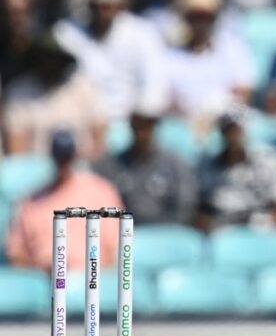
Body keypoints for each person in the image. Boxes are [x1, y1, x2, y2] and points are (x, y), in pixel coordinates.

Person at [54, 0, 169, 122]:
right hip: (81, 122)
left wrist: (138, 122)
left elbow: (154, 87)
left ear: (120, 5)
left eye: (107, 6)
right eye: (97, 5)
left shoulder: (143, 34)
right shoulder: (67, 35)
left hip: (130, 124)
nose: (102, 12)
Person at [5, 130, 123, 270]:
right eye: (59, 157)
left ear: (75, 155)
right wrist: (44, 270)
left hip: (92, 281)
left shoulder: (101, 191)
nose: (63, 164)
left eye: (67, 157)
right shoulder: (31, 202)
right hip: (44, 283)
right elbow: (16, 254)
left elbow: (117, 250)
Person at [2, 34, 106, 160]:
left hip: (81, 168)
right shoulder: (19, 93)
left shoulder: (82, 87)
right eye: (44, 58)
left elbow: (99, 135)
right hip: (38, 173)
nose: (49, 64)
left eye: (53, 58)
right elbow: (17, 153)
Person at [165, 0, 256, 124]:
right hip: (185, 126)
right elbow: (168, 100)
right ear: (185, 19)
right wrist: (193, 122)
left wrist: (218, 120)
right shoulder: (171, 56)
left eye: (206, 17)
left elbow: (243, 93)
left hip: (227, 123)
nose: (201, 23)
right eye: (195, 17)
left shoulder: (234, 48)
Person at [94, 103, 198, 225]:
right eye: (139, 125)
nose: (143, 131)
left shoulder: (174, 165)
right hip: (125, 232)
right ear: (131, 126)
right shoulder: (112, 165)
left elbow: (185, 205)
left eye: (148, 125)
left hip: (165, 233)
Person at [195, 103, 276, 231]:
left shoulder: (270, 161)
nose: (234, 136)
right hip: (222, 233)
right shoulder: (207, 166)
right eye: (229, 129)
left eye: (238, 130)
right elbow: (202, 212)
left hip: (261, 232)